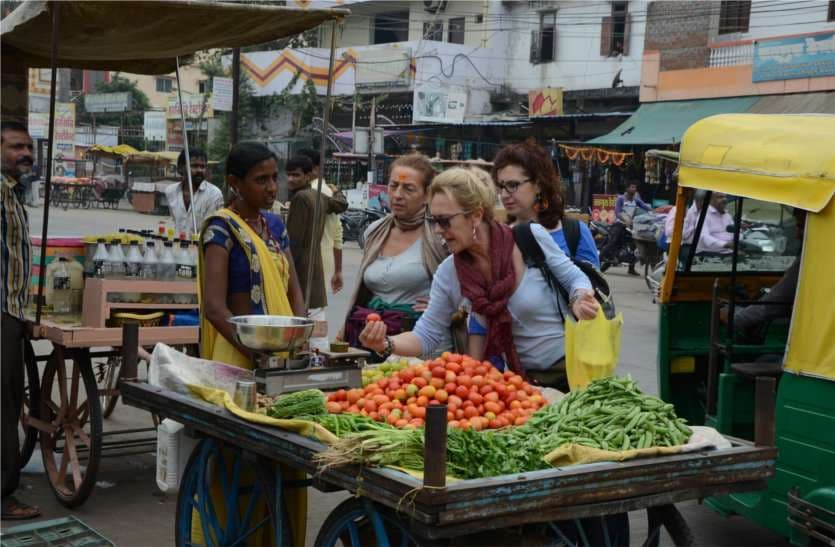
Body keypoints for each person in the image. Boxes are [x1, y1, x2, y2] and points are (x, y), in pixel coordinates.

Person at [359, 167, 599, 387]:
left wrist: (579, 298)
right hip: (527, 381)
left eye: (444, 221)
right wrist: (386, 344)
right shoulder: (449, 272)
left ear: (475, 215)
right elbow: (427, 334)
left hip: (579, 367)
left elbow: (574, 278)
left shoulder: (528, 238)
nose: (438, 230)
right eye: (433, 220)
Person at [200, 142, 305, 365]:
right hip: (238, 353)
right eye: (261, 180)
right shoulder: (222, 229)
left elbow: (294, 293)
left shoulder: (275, 226)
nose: (272, 187)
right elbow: (214, 307)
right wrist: (255, 355)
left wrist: (300, 339)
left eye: (274, 178)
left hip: (281, 353)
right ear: (235, 183)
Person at [342, 153, 449, 351]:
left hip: (424, 345)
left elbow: (468, 287)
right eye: (393, 186)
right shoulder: (374, 231)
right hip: (374, 342)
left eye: (408, 188)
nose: (398, 195)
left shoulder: (441, 235)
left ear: (427, 195)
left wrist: (450, 308)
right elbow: (362, 291)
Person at [1, 121, 39, 520]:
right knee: (3, 405)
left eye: (28, 147)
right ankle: (3, 495)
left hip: (12, 310)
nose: (25, 153)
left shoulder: (14, 194)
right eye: (15, 147)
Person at [492, 142, 599, 267]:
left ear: (538, 185)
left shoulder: (575, 232)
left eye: (512, 185)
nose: (504, 195)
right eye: (501, 186)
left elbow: (592, 283)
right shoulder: (499, 236)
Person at [285, 155, 347, 349]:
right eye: (288, 175)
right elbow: (341, 205)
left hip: (302, 269)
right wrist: (337, 190)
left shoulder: (301, 198)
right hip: (316, 266)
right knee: (317, 323)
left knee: (305, 323)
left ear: (307, 176)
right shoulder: (318, 195)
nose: (291, 180)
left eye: (296, 175)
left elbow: (293, 243)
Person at [296, 149, 344, 295]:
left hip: (307, 263)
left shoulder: (307, 194)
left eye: (298, 172)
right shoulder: (330, 192)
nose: (292, 178)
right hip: (326, 260)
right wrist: (338, 270)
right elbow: (337, 234)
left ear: (316, 169)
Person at [165, 148, 224, 237]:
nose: (199, 170)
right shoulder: (170, 191)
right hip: (177, 246)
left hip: (200, 248)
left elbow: (210, 231)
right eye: (194, 166)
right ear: (180, 168)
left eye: (202, 167)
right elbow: (174, 223)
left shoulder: (214, 194)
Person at [600, 181, 651, 274]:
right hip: (619, 224)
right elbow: (617, 212)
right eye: (632, 187)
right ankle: (599, 259)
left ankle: (631, 268)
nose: (634, 189)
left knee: (634, 244)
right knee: (613, 242)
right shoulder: (621, 199)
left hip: (630, 226)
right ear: (627, 189)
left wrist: (655, 211)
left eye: (635, 187)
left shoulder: (636, 200)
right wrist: (625, 219)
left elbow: (645, 207)